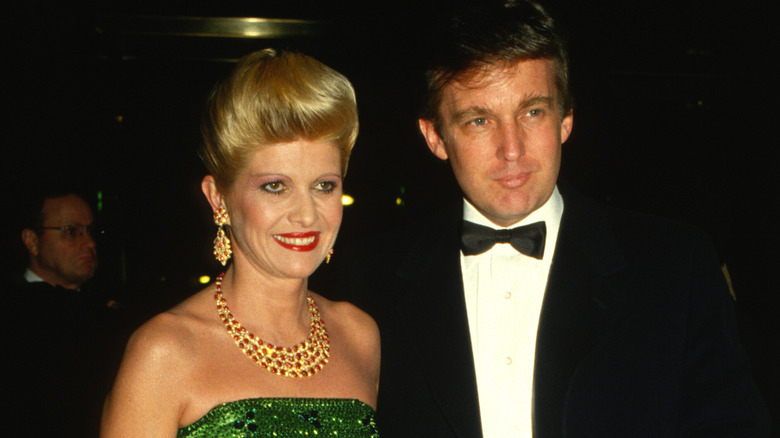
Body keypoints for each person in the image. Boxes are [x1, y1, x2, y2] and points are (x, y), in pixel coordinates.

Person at [334, 1, 770, 436]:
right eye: (480, 120)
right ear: (435, 137)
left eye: (532, 112)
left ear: (565, 120)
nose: (512, 149)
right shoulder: (367, 281)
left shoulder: (674, 265)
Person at [101, 49, 380, 437]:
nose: (307, 214)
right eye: (274, 187)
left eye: (323, 186)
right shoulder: (164, 351)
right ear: (219, 199)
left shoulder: (359, 335)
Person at [6, 186, 115, 437]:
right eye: (71, 232)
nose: (89, 243)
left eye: (90, 231)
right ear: (32, 241)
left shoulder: (106, 313)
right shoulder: (12, 319)